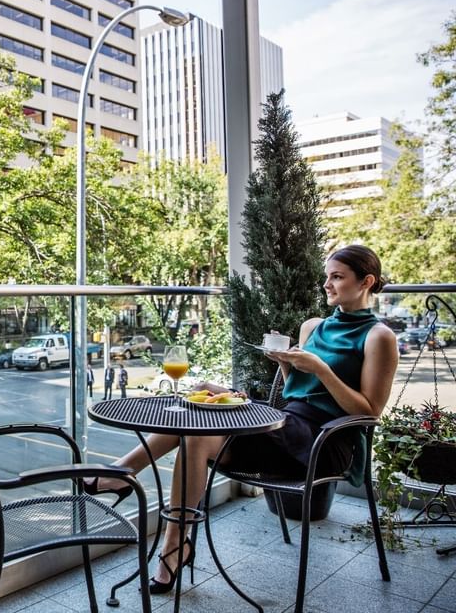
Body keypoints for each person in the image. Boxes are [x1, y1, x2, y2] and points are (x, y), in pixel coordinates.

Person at [83, 245, 398, 595]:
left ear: (366, 281)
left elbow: (368, 413)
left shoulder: (379, 337)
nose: (327, 284)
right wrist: (285, 364)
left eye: (337, 277)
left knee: (197, 432)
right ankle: (170, 540)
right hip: (285, 425)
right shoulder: (313, 326)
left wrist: (321, 370)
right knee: (196, 424)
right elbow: (294, 392)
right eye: (327, 276)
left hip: (323, 442)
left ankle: (127, 482)